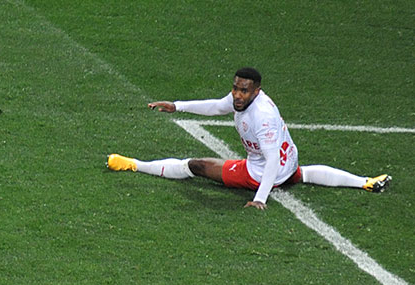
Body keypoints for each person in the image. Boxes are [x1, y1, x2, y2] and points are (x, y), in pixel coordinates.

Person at [107, 67, 391, 210]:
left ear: (256, 91)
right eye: (235, 89)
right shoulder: (244, 101)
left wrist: (260, 198)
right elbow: (217, 107)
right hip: (288, 163)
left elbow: (267, 162)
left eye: (243, 91)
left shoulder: (261, 116)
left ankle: (134, 164)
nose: (237, 95)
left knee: (194, 165)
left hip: (261, 171)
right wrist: (177, 106)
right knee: (301, 175)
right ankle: (364, 182)